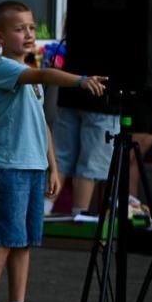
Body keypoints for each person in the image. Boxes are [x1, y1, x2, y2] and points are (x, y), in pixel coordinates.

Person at [0, 1, 106, 302]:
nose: (28, 34)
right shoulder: (6, 69)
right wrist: (80, 79)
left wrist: (53, 167)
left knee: (25, 241)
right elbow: (42, 74)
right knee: (4, 239)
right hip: (9, 167)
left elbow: (43, 123)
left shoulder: (30, 71)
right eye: (19, 28)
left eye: (31, 27)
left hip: (33, 166)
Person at [50, 17, 121, 217]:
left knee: (60, 159)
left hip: (71, 92)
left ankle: (41, 215)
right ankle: (79, 217)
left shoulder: (81, 8)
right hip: (103, 98)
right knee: (91, 163)